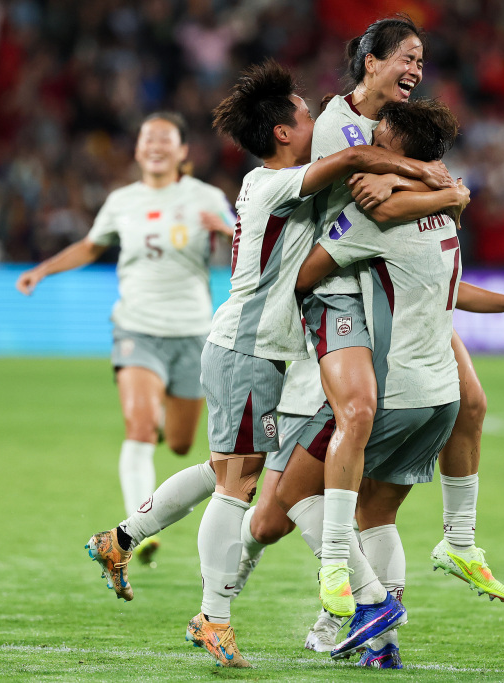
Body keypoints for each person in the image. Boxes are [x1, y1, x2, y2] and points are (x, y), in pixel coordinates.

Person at [163, 59, 452, 669]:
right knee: (236, 489)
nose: (315, 119)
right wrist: (432, 177)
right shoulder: (273, 183)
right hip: (245, 349)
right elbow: (352, 160)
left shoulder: (288, 184)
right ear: (282, 134)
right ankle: (216, 614)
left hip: (268, 355)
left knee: (252, 490)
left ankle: (354, 604)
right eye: (303, 114)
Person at [281, 99, 504, 668]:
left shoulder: (373, 219)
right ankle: (384, 648)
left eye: (380, 139)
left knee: (296, 497)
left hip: (397, 393)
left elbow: (303, 276)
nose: (371, 145)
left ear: (400, 152)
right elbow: (448, 288)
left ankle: (365, 600)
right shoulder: (447, 215)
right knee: (377, 514)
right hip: (442, 400)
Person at [302, 16, 504, 634]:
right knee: (324, 463)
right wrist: (443, 190)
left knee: (470, 401)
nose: (417, 70)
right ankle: (318, 580)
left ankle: (458, 542)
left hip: (388, 277)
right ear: (371, 60)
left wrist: (426, 181)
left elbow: (399, 188)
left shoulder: (394, 127)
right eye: (407, 57)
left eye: (422, 61)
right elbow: (376, 204)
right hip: (344, 288)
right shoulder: (339, 127)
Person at [16, 112, 236, 568]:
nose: (155, 145)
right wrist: (43, 270)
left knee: (180, 443)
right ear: (137, 149)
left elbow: (247, 240)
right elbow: (91, 245)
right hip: (136, 327)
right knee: (138, 427)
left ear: (182, 151)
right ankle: (139, 530)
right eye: (147, 138)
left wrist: (227, 230)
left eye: (165, 139)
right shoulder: (122, 201)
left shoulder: (206, 197)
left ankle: (158, 419)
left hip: (192, 332)